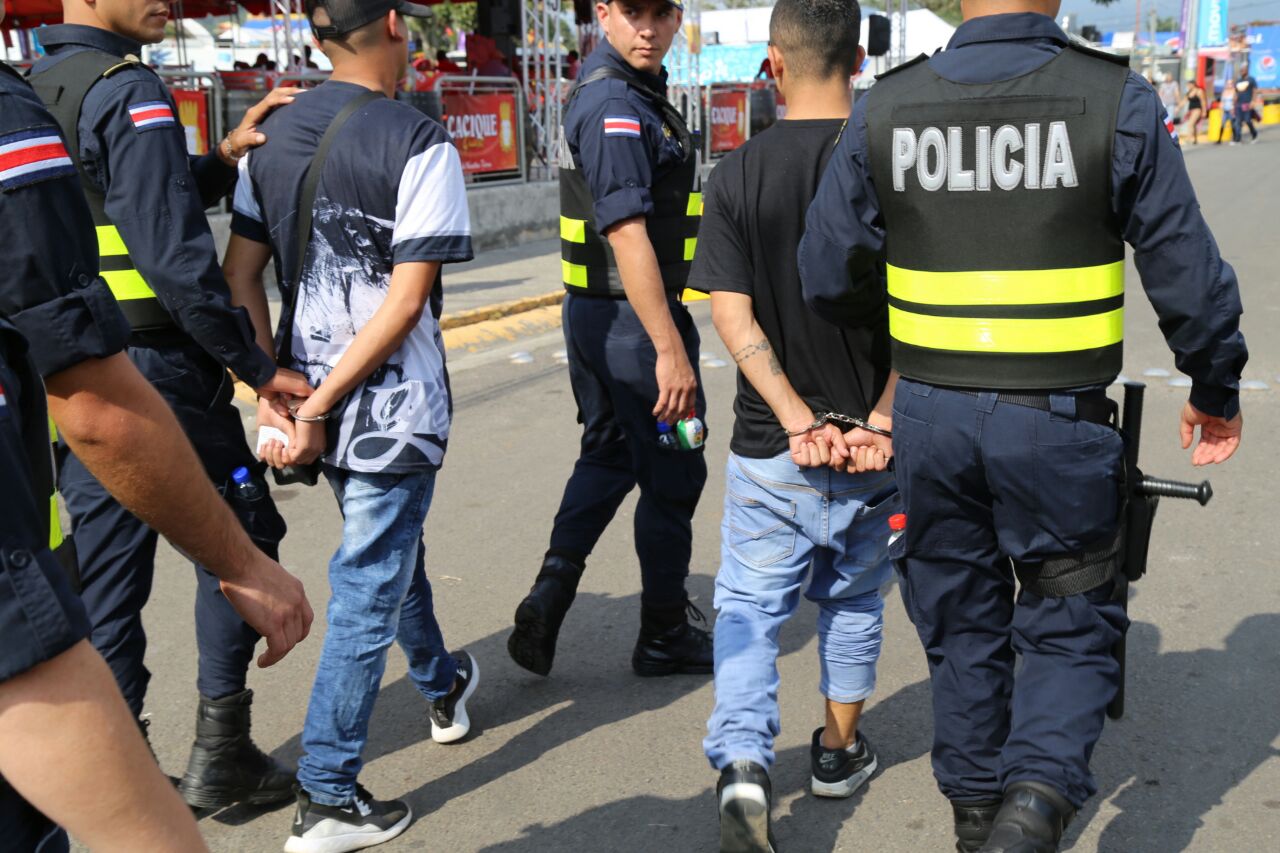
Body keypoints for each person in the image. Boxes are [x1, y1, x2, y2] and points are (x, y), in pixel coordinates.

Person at [799, 1, 1248, 851]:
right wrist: (1214, 383)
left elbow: (825, 271)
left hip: (927, 419)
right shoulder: (1114, 99)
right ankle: (1030, 815)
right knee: (1070, 622)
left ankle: (978, 825)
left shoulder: (886, 106)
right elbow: (1186, 272)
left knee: (961, 623)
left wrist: (902, 336)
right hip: (1057, 422)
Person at [0, 35, 311, 851]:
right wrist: (254, 364)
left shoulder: (43, 87)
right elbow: (176, 259)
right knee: (240, 539)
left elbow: (110, 197)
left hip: (70, 370)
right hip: (152, 374)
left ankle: (122, 752)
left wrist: (216, 159)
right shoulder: (126, 89)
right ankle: (221, 750)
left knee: (105, 570)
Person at [225, 1, 479, 849]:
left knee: (389, 548)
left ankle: (441, 684)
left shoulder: (271, 136)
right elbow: (407, 302)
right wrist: (325, 400)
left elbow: (241, 277)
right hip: (388, 413)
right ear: (398, 25)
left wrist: (272, 387)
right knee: (370, 582)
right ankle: (328, 793)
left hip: (306, 403)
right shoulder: (417, 140)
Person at [692, 2, 899, 850]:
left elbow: (733, 319)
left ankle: (743, 760)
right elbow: (927, 313)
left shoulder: (734, 174)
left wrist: (796, 417)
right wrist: (881, 418)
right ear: (858, 57)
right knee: (853, 603)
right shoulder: (893, 165)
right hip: (875, 452)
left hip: (774, 450)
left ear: (773, 65)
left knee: (747, 604)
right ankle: (837, 752)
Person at [506, 0, 713, 680]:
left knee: (608, 452)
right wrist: (670, 348)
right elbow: (627, 232)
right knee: (675, 472)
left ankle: (551, 593)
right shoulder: (616, 106)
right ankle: (662, 633)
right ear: (603, 12)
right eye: (632, 13)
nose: (648, 27)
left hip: (602, 320)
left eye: (661, 12)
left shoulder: (625, 91)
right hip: (633, 327)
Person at [1231, 61, 1259, 144]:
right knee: (1238, 121)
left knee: (1247, 120)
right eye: (1241, 71)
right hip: (1238, 104)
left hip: (1247, 103)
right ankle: (1238, 139)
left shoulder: (1251, 80)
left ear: (1246, 70)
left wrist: (1253, 102)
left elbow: (1254, 91)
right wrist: (1233, 105)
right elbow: (1235, 93)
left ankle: (1254, 134)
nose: (1241, 72)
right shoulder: (1238, 81)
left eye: (1243, 70)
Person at [1216, 77, 1236, 143]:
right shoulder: (1224, 92)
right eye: (1228, 84)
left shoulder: (1234, 91)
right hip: (1225, 110)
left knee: (1233, 124)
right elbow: (1222, 102)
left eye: (1230, 84)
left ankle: (1234, 138)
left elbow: (1235, 102)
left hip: (1231, 110)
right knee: (1222, 124)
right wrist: (1220, 109)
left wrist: (1233, 109)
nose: (1229, 85)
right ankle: (1219, 139)